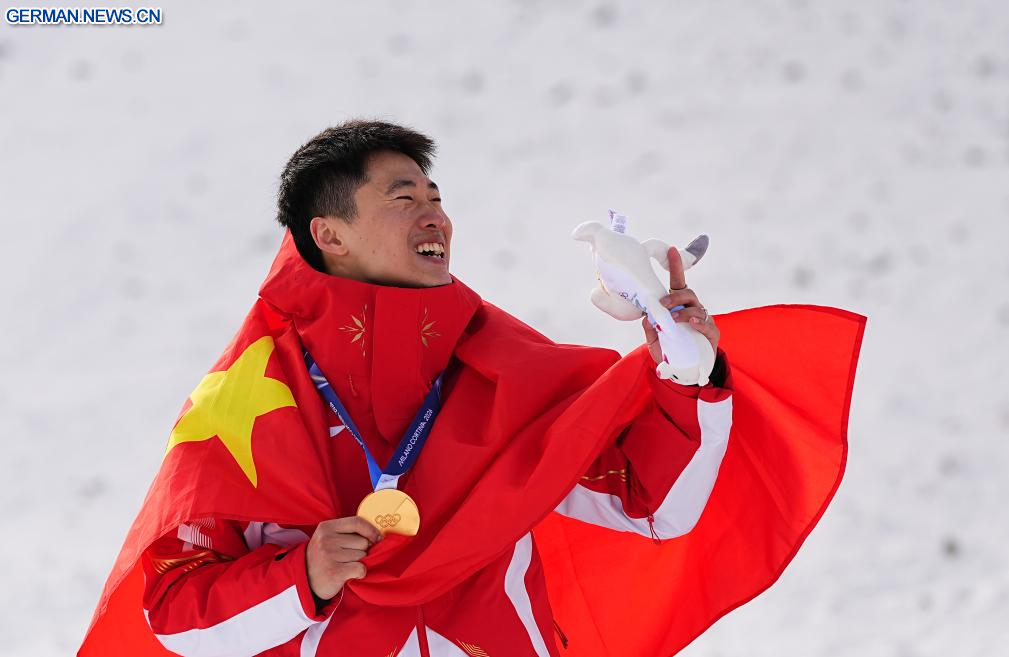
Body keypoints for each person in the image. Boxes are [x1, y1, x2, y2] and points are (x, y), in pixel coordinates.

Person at [80, 120, 864, 657]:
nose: (435, 217)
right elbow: (176, 615)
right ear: (329, 234)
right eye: (403, 198)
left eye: (436, 198)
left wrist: (684, 375)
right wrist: (301, 576)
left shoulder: (500, 366)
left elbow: (647, 504)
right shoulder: (247, 398)